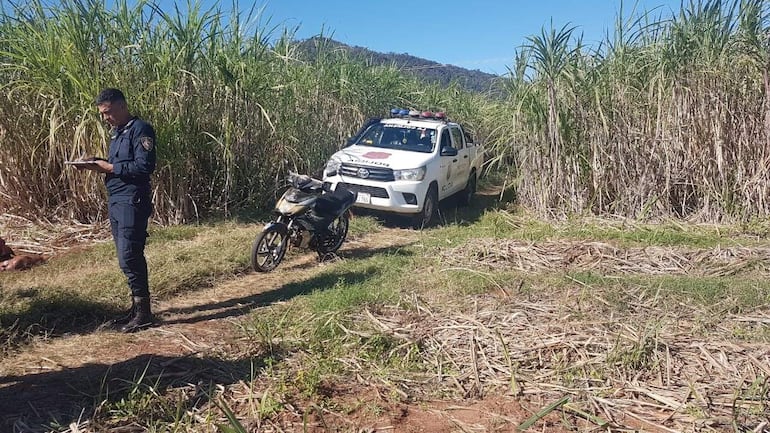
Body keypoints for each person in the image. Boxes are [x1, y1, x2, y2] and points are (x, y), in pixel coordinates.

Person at [74, 88, 157, 333]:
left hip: (133, 199)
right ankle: (136, 309)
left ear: (122, 106)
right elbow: (118, 165)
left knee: (129, 255)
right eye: (102, 114)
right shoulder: (118, 133)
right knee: (125, 257)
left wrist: (107, 167)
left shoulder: (141, 129)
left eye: (108, 112)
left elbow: (144, 167)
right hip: (117, 198)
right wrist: (93, 163)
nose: (106, 118)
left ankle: (144, 313)